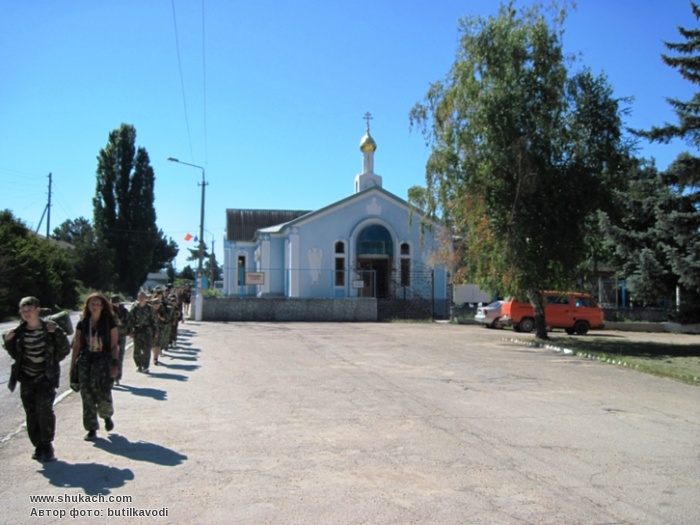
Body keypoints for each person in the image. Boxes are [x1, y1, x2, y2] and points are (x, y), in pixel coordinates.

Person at [2, 297, 71, 462]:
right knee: (31, 414)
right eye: (23, 311)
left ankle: (47, 445)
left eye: (30, 310)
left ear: (38, 310)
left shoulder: (50, 329)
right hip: (27, 379)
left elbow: (64, 350)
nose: (26, 313)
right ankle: (38, 445)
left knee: (45, 411)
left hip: (45, 379)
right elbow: (15, 354)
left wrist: (58, 334)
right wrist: (9, 341)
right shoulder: (19, 332)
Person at [69, 293, 119, 441]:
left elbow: (114, 345)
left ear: (103, 306)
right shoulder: (83, 323)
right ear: (88, 306)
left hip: (103, 361)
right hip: (85, 361)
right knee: (87, 395)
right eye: (92, 304)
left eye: (98, 304)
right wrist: (73, 366)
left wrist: (115, 364)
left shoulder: (109, 322)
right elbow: (77, 345)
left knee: (103, 392)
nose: (95, 306)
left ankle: (106, 416)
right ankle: (91, 428)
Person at [127, 291, 158, 373]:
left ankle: (145, 366)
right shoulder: (135, 308)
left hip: (147, 330)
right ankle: (139, 365)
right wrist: (130, 331)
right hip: (137, 330)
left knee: (146, 350)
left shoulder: (150, 308)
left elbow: (154, 320)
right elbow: (130, 320)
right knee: (137, 350)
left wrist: (156, 331)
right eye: (139, 297)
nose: (141, 299)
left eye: (142, 297)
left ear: (146, 298)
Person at [111, 295, 129, 386]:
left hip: (121, 335)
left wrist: (120, 322)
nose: (115, 304)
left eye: (116, 302)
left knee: (119, 357)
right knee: (109, 357)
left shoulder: (124, 311)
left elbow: (127, 323)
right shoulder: (108, 311)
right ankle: (110, 377)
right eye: (113, 302)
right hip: (110, 336)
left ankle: (117, 377)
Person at [151, 295, 171, 365]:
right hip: (151, 329)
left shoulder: (162, 310)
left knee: (158, 343)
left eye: (157, 305)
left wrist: (160, 317)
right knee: (152, 344)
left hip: (160, 328)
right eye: (155, 305)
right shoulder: (150, 311)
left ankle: (155, 358)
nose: (156, 306)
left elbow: (166, 320)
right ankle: (155, 355)